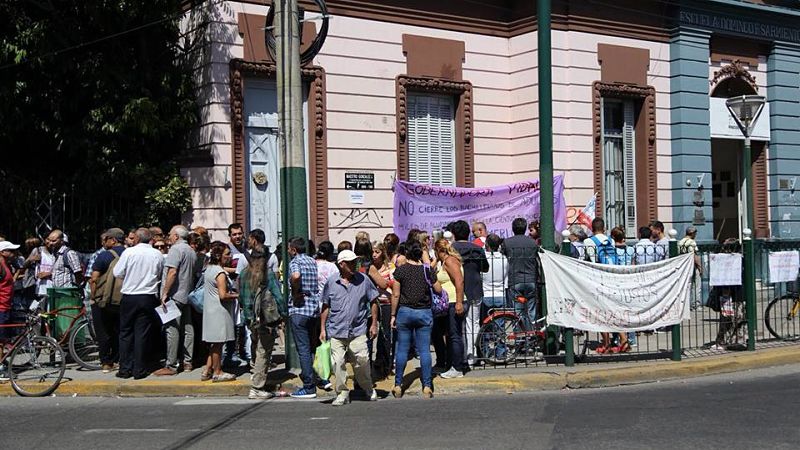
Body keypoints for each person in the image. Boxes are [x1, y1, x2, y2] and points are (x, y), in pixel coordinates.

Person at [319, 250, 380, 405]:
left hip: (358, 329)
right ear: (341, 264)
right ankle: (342, 392)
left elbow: (373, 300)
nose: (354, 265)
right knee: (337, 363)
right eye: (350, 262)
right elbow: (326, 305)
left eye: (355, 262)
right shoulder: (332, 282)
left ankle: (367, 387)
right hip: (337, 330)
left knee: (362, 360)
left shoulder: (364, 280)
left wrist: (374, 323)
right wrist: (322, 328)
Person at [112, 228, 164, 380]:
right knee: (142, 333)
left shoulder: (129, 253)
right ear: (151, 239)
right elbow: (160, 273)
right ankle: (139, 369)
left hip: (130, 295)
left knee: (126, 332)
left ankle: (125, 368)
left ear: (137, 239)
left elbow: (117, 272)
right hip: (148, 296)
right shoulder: (157, 254)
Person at [390, 241, 439, 399]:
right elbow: (438, 289)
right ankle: (426, 386)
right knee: (425, 350)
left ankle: (398, 385)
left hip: (404, 312)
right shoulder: (427, 270)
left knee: (402, 350)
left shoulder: (401, 271)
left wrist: (392, 315)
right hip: (424, 312)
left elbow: (395, 295)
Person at [154, 225, 198, 376]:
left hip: (175, 295)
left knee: (172, 330)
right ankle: (187, 362)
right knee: (187, 329)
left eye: (171, 235)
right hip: (187, 294)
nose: (169, 237)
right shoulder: (191, 251)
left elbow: (172, 272)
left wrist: (165, 293)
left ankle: (171, 365)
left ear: (177, 236)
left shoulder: (176, 250)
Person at [240, 249, 283, 398]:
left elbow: (241, 297)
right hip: (265, 319)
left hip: (250, 318)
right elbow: (277, 295)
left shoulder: (244, 273)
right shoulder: (267, 275)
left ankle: (256, 375)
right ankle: (257, 386)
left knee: (256, 347)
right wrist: (283, 314)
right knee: (263, 352)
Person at [288, 237, 326, 398]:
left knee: (303, 349)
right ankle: (314, 376)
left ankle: (309, 386)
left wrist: (296, 292)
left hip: (300, 309)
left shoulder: (295, 262)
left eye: (290, 249)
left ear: (294, 250)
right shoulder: (312, 261)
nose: (289, 252)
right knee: (311, 347)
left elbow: (296, 276)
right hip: (313, 309)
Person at [450, 220, 488, 366]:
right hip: (475, 288)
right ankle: (473, 355)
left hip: (456, 291)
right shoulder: (477, 248)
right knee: (474, 323)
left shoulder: (451, 249)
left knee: (459, 326)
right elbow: (485, 267)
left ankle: (462, 356)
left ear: (454, 234)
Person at [200, 242, 238, 382]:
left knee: (214, 343)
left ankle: (207, 370)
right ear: (219, 255)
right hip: (219, 311)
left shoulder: (210, 269)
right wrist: (236, 295)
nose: (230, 256)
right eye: (227, 254)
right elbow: (223, 295)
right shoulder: (219, 273)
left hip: (211, 310)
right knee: (218, 343)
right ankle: (217, 371)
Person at [90, 228, 126, 373]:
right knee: (120, 330)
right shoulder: (129, 254)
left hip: (104, 301)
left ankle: (106, 362)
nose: (103, 242)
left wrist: (93, 297)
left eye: (105, 239)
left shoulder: (104, 256)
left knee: (103, 331)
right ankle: (119, 359)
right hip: (123, 298)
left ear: (113, 240)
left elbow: (94, 278)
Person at [433, 238, 467, 379]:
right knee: (449, 335)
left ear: (439, 250)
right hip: (449, 303)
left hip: (454, 302)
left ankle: (457, 367)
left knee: (454, 336)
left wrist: (458, 302)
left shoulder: (450, 261)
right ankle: (450, 364)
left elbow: (459, 281)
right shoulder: (444, 262)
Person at [503, 218, 540, 329]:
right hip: (531, 280)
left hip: (515, 280)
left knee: (517, 311)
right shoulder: (533, 243)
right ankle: (532, 335)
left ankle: (520, 337)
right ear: (525, 229)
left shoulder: (507, 242)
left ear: (513, 229)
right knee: (531, 310)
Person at [370, 242, 394, 380]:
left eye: (377, 252)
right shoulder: (371, 268)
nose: (374, 255)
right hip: (374, 303)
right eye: (373, 252)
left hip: (386, 303)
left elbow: (387, 284)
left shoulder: (389, 268)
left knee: (385, 334)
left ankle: (384, 362)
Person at [0, 240, 20, 381]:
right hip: (0, 307)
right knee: (0, 341)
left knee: (3, 339)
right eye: (10, 251)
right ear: (2, 252)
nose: (13, 253)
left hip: (6, 306)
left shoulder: (6, 265)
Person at [482, 234, 508, 314]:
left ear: (486, 244)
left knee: (486, 324)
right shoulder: (504, 258)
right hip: (500, 294)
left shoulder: (483, 258)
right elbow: (506, 277)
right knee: (500, 324)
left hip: (486, 294)